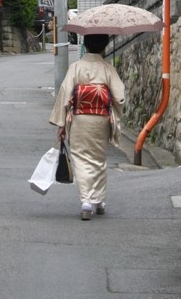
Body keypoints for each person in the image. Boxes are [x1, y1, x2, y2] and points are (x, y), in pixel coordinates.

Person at [49, 33, 125, 220]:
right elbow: (120, 96)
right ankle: (98, 200)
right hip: (101, 119)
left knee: (80, 157)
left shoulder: (76, 67)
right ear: (104, 46)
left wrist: (61, 123)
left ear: (86, 45)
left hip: (80, 117)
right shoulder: (107, 68)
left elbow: (66, 92)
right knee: (98, 158)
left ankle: (86, 201)